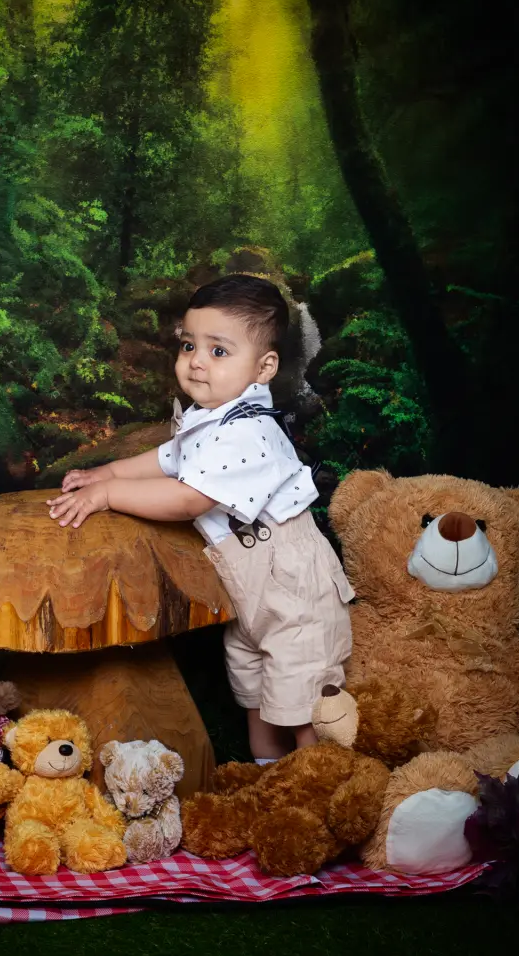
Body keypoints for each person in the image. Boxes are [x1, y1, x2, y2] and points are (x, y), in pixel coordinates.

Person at [47, 274, 354, 764]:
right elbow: (169, 457)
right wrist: (109, 468)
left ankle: (322, 785)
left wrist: (108, 494)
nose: (195, 361)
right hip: (249, 591)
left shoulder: (250, 430)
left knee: (302, 703)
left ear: (264, 367)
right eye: (189, 344)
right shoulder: (210, 419)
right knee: (256, 698)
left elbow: (189, 498)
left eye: (218, 351)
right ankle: (267, 783)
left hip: (294, 589)